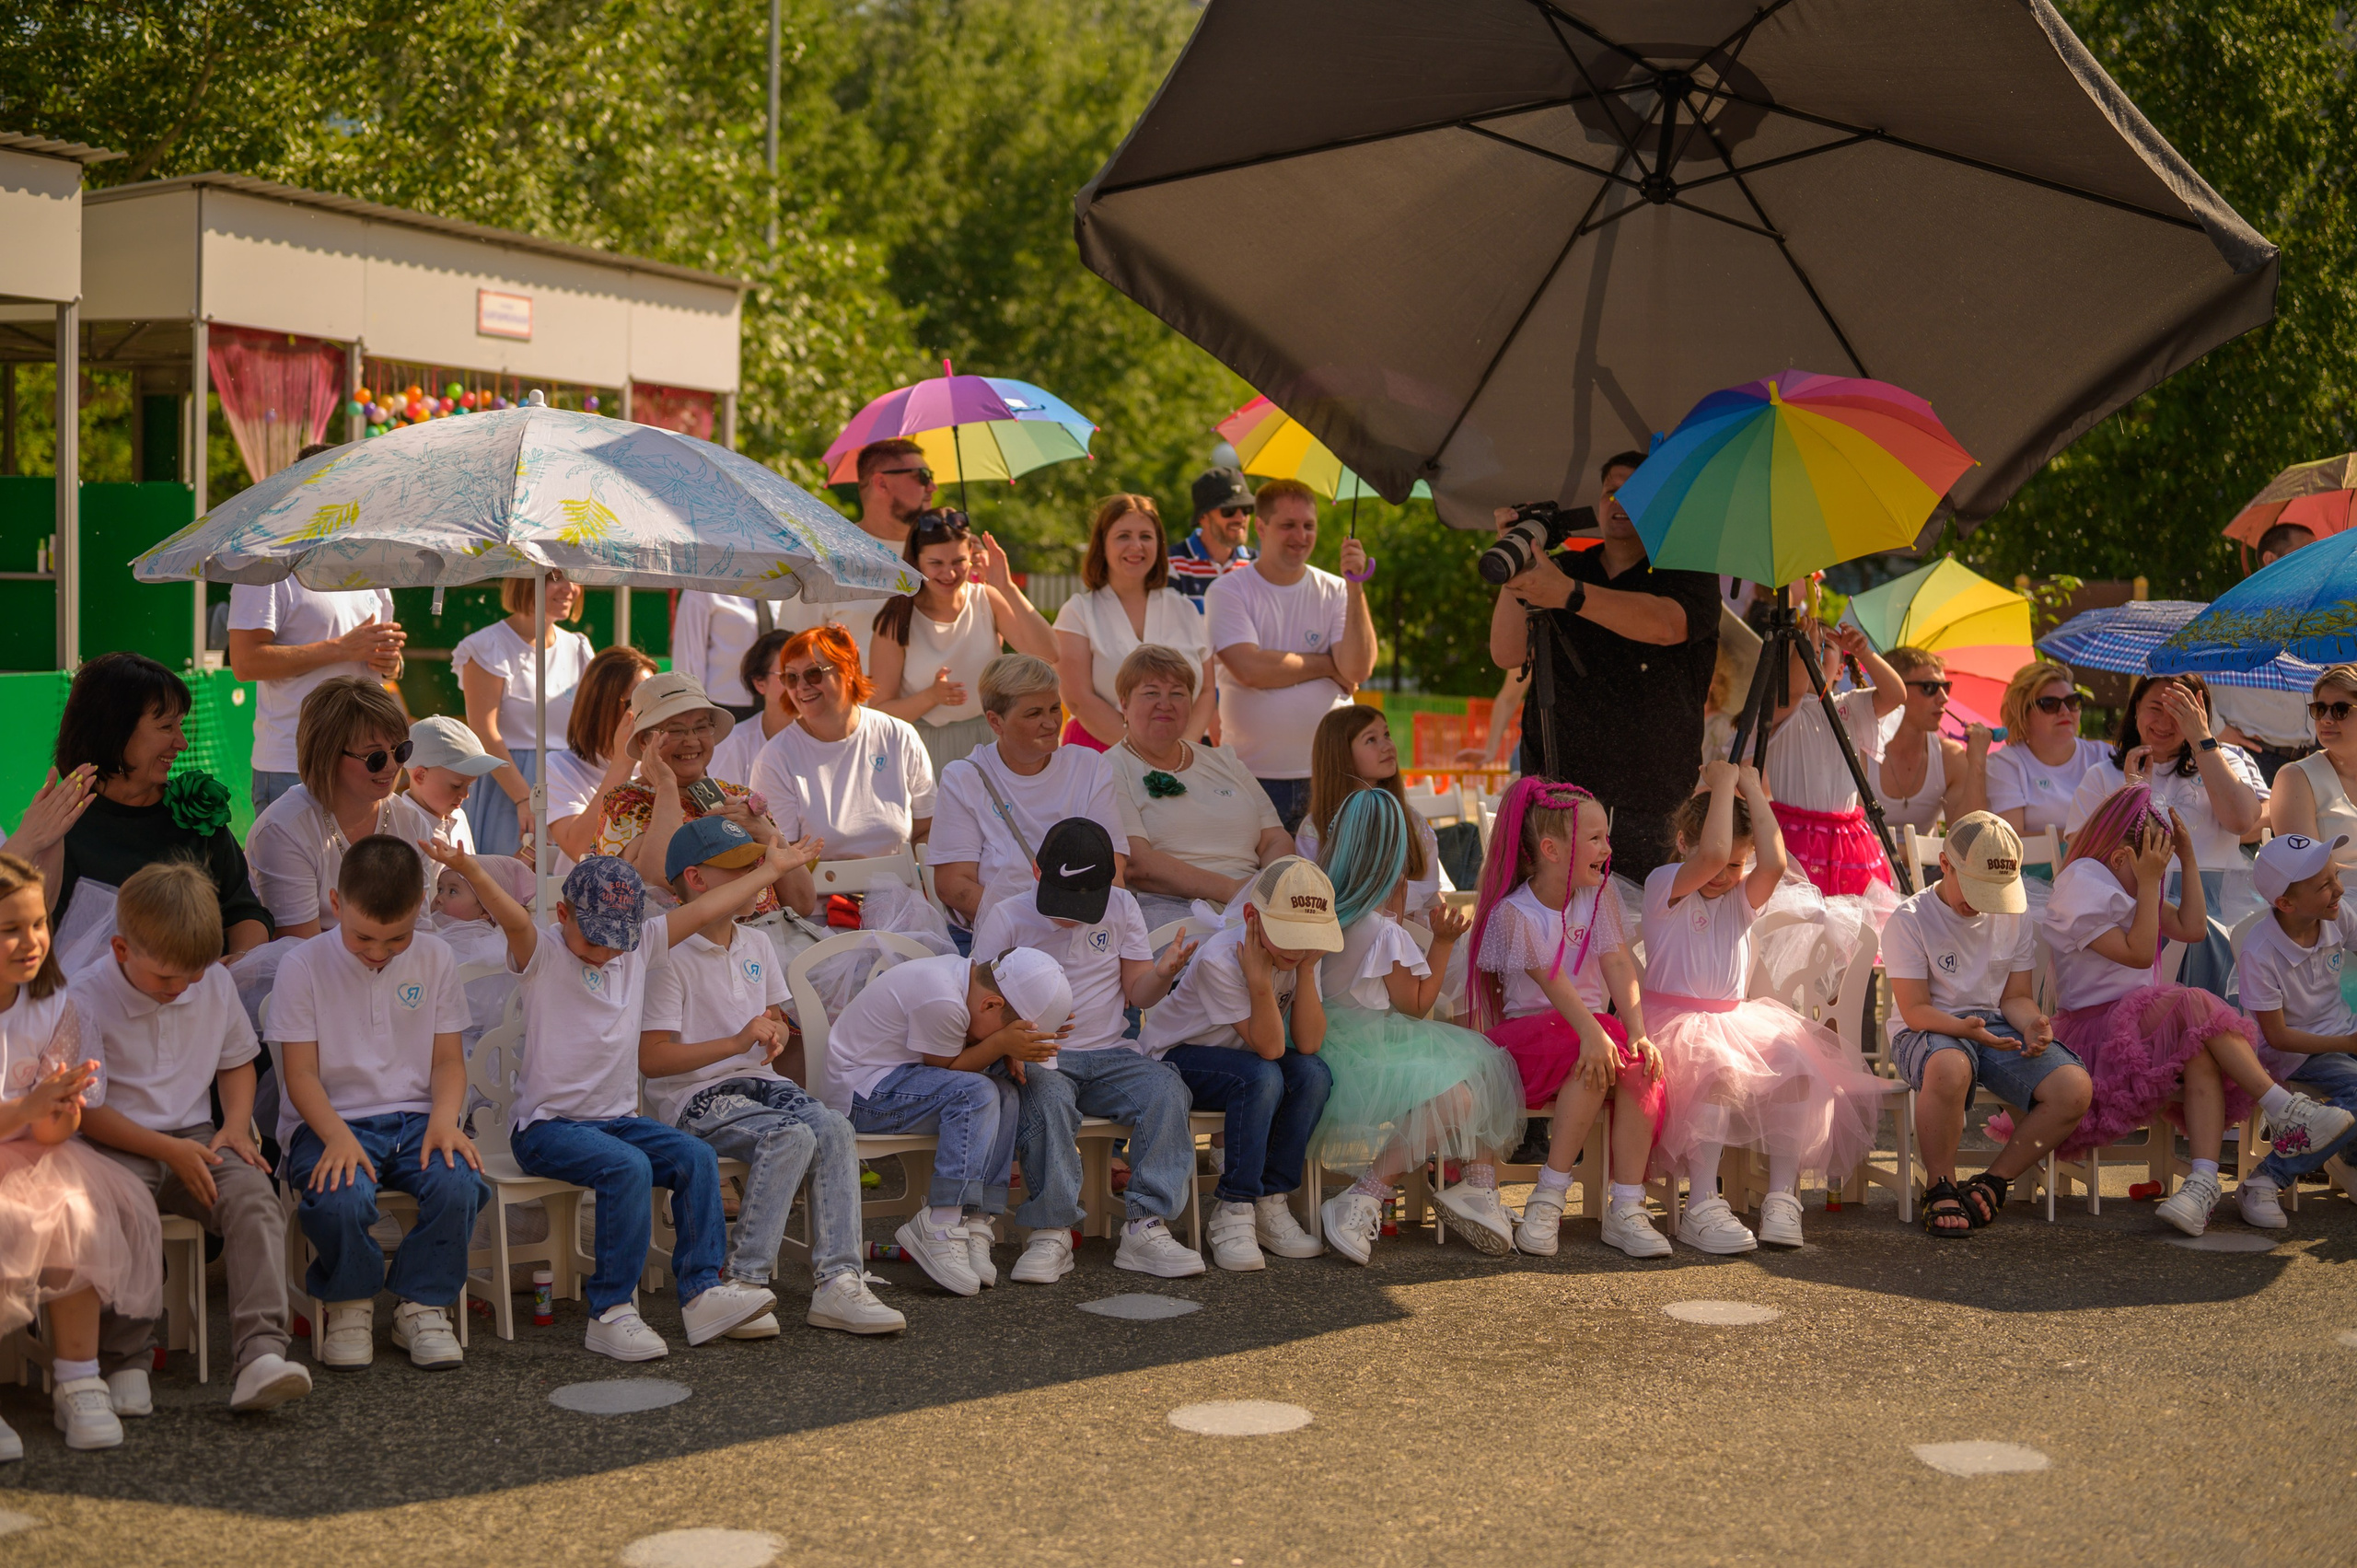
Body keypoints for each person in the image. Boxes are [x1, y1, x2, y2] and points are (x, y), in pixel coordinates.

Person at [435, 845, 786, 1359]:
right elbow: (511, 917)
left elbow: (707, 907)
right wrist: (469, 870)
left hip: (617, 1122)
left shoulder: (641, 945)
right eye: (595, 938)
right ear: (563, 914)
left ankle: (702, 1293)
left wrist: (772, 870)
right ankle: (611, 1312)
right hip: (547, 1129)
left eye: (617, 941)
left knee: (695, 1157)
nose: (606, 953)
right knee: (627, 1169)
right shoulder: (543, 951)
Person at [2040, 786, 2349, 1236]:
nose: (2159, 872)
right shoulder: (2082, 881)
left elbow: (2193, 929)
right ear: (2125, 856)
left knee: (2201, 1049)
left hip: (2137, 1025)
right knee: (2192, 1001)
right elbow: (2141, 953)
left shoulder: (2125, 885)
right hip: (2096, 1033)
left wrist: (2187, 858)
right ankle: (2283, 1108)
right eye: (2156, 860)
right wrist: (2148, 883)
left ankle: (2202, 1183)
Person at [640, 818, 904, 1335]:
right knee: (790, 1136)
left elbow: (774, 1018)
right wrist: (738, 1042)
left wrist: (775, 1033)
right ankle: (744, 1283)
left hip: (760, 1087)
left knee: (833, 1127)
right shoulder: (666, 956)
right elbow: (653, 1061)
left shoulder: (757, 943)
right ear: (696, 879)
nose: (759, 878)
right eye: (741, 868)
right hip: (696, 1095)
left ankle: (839, 1283)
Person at [73, 863, 310, 1415]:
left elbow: (236, 1063)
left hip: (197, 1137)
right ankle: (126, 1359)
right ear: (121, 949)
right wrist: (170, 1151)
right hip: (113, 1145)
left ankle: (259, 1358)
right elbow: (88, 1112)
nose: (180, 988)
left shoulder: (215, 982)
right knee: (125, 1209)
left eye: (193, 975)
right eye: (165, 978)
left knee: (254, 1198)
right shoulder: (86, 995)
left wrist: (234, 1123)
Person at [1642, 762, 1885, 1252]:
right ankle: (1703, 1202)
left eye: (1737, 866)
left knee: (1797, 1065)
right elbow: (1712, 855)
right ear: (1684, 843)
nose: (1726, 876)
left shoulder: (1739, 897)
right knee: (1715, 1068)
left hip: (1733, 1018)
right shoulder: (1665, 884)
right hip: (1675, 1023)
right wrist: (1725, 780)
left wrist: (1753, 787)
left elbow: (1773, 863)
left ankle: (1781, 1197)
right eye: (1721, 864)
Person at [273, 836, 484, 1371]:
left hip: (417, 1117)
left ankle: (423, 1304)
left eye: (397, 939)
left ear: (420, 909)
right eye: (363, 936)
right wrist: (337, 1137)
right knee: (338, 1194)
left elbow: (448, 1062)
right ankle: (349, 1302)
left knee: (458, 1181)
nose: (378, 952)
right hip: (330, 1120)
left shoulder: (435, 956)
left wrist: (444, 1121)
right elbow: (298, 1075)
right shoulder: (301, 965)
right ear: (335, 903)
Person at [972, 819, 1206, 1283]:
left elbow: (1137, 993)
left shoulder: (1122, 907)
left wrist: (1162, 973)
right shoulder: (1008, 915)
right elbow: (979, 1001)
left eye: (1085, 905)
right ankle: (1051, 1231)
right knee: (1048, 1098)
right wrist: (1015, 1041)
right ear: (1038, 875)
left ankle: (1146, 1225)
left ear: (1110, 884)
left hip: (1111, 1052)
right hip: (1040, 1054)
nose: (1073, 916)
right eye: (1064, 903)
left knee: (1166, 1089)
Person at [1309, 790, 1526, 1263]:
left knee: (1476, 1065)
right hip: (1366, 1049)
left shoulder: (1324, 912)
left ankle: (1477, 1188)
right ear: (1394, 860)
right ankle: (1367, 1192)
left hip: (1326, 1041)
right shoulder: (1383, 931)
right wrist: (1444, 941)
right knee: (1469, 1082)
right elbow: (1416, 1006)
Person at [1486, 450, 1721, 883]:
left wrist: (1569, 594)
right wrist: (1514, 567)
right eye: (1611, 491)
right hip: (1557, 792)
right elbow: (1506, 652)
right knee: (1551, 936)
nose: (1620, 501)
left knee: (1642, 936)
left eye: (1635, 492)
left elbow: (1665, 624)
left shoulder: (1688, 572)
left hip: (1651, 801)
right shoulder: (1565, 568)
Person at [1463, 778, 1667, 1260]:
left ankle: (1627, 1205)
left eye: (1606, 837)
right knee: (1588, 1054)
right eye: (1595, 839)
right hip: (1528, 1042)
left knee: (1640, 1065)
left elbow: (1618, 964)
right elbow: (1552, 983)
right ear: (1552, 850)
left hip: (1589, 1029)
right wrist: (1594, 1034)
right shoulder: (1514, 913)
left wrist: (1637, 1033)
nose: (1608, 848)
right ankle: (1549, 1196)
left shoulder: (1600, 899)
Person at [0, 852, 160, 1457]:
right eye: (11, 927)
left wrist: (61, 1110)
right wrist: (29, 1105)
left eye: (38, 923)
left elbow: (48, 1135)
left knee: (75, 1208)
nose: (31, 940)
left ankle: (78, 1376)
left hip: (28, 1156)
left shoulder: (54, 1005)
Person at [1884, 811, 2092, 1237]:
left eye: (1995, 892)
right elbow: (1915, 1011)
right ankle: (1940, 1182)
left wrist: (2034, 1023)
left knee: (2073, 1088)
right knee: (1949, 1067)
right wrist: (1964, 1031)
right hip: (1926, 1030)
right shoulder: (1910, 918)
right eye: (1975, 888)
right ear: (1944, 864)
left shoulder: (2013, 914)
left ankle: (1995, 1181)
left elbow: (2014, 997)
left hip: (1993, 1026)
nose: (1982, 902)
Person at [821, 945, 1072, 1297]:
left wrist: (1006, 1042)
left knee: (1007, 1094)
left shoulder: (969, 986)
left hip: (903, 1081)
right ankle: (939, 1222)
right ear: (991, 1005)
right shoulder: (944, 999)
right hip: (861, 1094)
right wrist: (1000, 1044)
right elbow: (948, 1068)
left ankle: (975, 1222)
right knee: (977, 1094)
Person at [1137, 857, 1339, 1271]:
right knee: (1263, 1075)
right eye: (1289, 935)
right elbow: (1268, 1048)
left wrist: (1305, 973)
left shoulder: (1298, 957)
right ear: (1251, 916)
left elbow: (1309, 1042)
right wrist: (1260, 983)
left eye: (1307, 937)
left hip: (1245, 1062)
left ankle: (1270, 1201)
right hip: (1174, 1058)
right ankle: (1235, 1206)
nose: (1298, 947)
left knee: (1314, 1074)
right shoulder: (1221, 959)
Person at [6, 653, 272, 965]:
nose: (182, 743)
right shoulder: (63, 825)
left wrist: (239, 964)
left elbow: (244, 910)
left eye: (181, 725)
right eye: (166, 727)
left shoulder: (194, 809)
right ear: (115, 730)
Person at [2064, 674, 2266, 995]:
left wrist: (2202, 738)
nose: (2164, 722)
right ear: (2135, 711)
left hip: (2220, 901)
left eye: (2179, 710)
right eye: (2155, 708)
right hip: (2135, 903)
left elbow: (2241, 822)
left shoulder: (2225, 759)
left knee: (2215, 932)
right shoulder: (2103, 774)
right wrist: (2134, 794)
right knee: (2174, 929)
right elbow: (2080, 859)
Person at [1202, 479, 1376, 831]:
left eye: (1309, 525)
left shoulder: (1338, 589)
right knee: (1261, 884)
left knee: (1334, 885)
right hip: (1254, 778)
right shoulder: (1228, 590)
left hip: (1331, 775)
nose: (1301, 535)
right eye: (1288, 525)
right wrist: (1327, 664)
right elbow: (1250, 668)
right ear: (1261, 528)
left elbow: (1358, 667)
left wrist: (1356, 585)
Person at [930, 654, 1129, 934]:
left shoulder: (1091, 767)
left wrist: (1073, 922)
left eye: (1054, 708)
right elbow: (954, 887)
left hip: (1082, 930)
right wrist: (1034, 924)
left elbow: (1113, 868)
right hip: (1000, 934)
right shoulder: (964, 778)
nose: (1051, 723)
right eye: (1034, 714)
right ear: (995, 722)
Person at [597, 673, 815, 924]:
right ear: (644, 742)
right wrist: (666, 786)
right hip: (685, 953)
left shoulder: (739, 797)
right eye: (675, 730)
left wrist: (764, 831)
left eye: (701, 727)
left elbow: (803, 904)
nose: (691, 741)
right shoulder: (626, 801)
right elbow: (655, 886)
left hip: (767, 948)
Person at [1104, 645, 1293, 930]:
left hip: (1255, 901)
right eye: (1151, 693)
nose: (1165, 703)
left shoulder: (1223, 759)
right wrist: (1235, 891)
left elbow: (1275, 839)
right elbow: (1137, 863)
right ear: (1124, 704)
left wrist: (1268, 891)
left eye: (1177, 693)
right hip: (1174, 910)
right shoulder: (1111, 768)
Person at [869, 510, 1060, 774]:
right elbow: (879, 713)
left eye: (958, 561)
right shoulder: (895, 618)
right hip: (922, 749)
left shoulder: (988, 599)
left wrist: (1006, 586)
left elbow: (1049, 653)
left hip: (990, 743)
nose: (948, 573)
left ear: (972, 556)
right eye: (936, 563)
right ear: (917, 562)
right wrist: (931, 696)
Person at [246, 678, 438, 937]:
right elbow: (301, 948)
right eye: (375, 757)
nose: (392, 767)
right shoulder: (284, 830)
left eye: (400, 750)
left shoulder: (411, 822)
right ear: (327, 755)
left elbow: (420, 930)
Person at [2232, 831, 2357, 1226]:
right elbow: (2278, 1038)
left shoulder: (2337, 914)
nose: (2339, 889)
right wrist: (2350, 1041)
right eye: (2325, 885)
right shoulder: (2260, 952)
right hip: (2296, 1054)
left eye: (2335, 875)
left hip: (2341, 1036)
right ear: (2286, 903)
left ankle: (2348, 1153)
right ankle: (2267, 1179)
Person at [750, 625, 938, 863]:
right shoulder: (775, 758)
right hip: (821, 898)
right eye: (791, 677)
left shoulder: (899, 736)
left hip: (901, 890)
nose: (801, 686)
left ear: (849, 669)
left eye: (813, 673)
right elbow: (781, 856)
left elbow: (928, 831)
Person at [227, 574, 402, 812]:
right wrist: (341, 649)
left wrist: (393, 665)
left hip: (366, 764)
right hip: (293, 766)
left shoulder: (368, 569)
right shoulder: (268, 568)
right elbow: (245, 662)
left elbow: (385, 661)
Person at [1759, 616, 1907, 895]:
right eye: (1802, 646)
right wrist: (1805, 646)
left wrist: (1865, 653)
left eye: (1823, 645)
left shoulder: (1849, 706)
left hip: (1845, 840)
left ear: (1840, 670)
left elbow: (1896, 694)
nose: (1813, 650)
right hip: (1791, 836)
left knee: (1852, 925)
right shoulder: (1781, 708)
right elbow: (1793, 691)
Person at [1054, 494, 1215, 749]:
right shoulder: (1078, 612)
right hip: (1100, 754)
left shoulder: (1185, 609)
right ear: (1102, 545)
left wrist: (1180, 749)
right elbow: (1078, 699)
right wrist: (1144, 752)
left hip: (1179, 756)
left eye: (1146, 537)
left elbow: (1207, 691)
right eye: (1123, 536)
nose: (1136, 546)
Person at [454, 570, 596, 859]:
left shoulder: (579, 647)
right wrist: (523, 798)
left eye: (575, 576)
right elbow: (483, 731)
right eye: (556, 576)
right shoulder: (487, 647)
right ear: (525, 578)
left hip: (569, 784)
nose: (570, 588)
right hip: (508, 788)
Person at [764, 437, 935, 670]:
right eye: (922, 476)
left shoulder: (945, 557)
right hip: (857, 706)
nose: (932, 487)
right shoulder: (826, 560)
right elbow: (792, 655)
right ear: (881, 483)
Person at [1296, 705, 1446, 918]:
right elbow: (1310, 903)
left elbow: (1431, 897)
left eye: (1386, 734)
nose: (1387, 746)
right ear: (1340, 754)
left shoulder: (1412, 822)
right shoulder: (1314, 830)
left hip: (1411, 943)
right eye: (1371, 740)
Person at [2213, 522, 2319, 781]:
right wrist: (2214, 729)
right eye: (2306, 553)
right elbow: (2188, 675)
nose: (2316, 563)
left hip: (2312, 759)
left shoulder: (2317, 617)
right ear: (2271, 560)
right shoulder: (2234, 613)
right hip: (2252, 759)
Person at [543, 646, 658, 867]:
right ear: (601, 704)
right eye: (639, 703)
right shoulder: (559, 767)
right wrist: (623, 762)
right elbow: (581, 850)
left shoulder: (662, 761)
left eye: (654, 701)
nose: (650, 713)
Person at [1986, 660, 2108, 854]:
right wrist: (2087, 836)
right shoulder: (2006, 763)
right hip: (2032, 878)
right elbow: (2009, 839)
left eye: (2072, 702)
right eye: (2049, 704)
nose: (2065, 711)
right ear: (2022, 714)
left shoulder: (2105, 756)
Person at [1867, 647, 1991, 834]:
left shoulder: (1951, 756)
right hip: (1864, 863)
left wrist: (1977, 764)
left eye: (1945, 686)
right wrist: (1914, 853)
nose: (1944, 698)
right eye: (1929, 687)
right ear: (1892, 689)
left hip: (1927, 863)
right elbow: (1847, 836)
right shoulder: (1859, 748)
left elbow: (1968, 839)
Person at [2260, 665, 2357, 866]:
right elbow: (2307, 868)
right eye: (2320, 709)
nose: (2326, 719)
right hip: (2335, 897)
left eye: (2340, 711)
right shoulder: (2295, 777)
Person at [671, 590, 787, 723]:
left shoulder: (780, 582)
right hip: (724, 709)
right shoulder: (703, 588)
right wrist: (691, 711)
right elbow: (689, 655)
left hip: (778, 706)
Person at [401, 715, 506, 856]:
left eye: (469, 785)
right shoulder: (400, 825)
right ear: (420, 775)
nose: (465, 795)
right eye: (456, 786)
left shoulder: (459, 816)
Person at [706, 628, 794, 789]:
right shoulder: (733, 744)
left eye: (810, 674)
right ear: (760, 682)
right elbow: (722, 810)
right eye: (788, 675)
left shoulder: (827, 738)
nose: (801, 685)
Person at [1167, 466, 1259, 608]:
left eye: (1247, 509)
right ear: (1203, 517)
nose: (1241, 517)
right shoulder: (1171, 565)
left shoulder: (1258, 565)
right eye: (1229, 510)